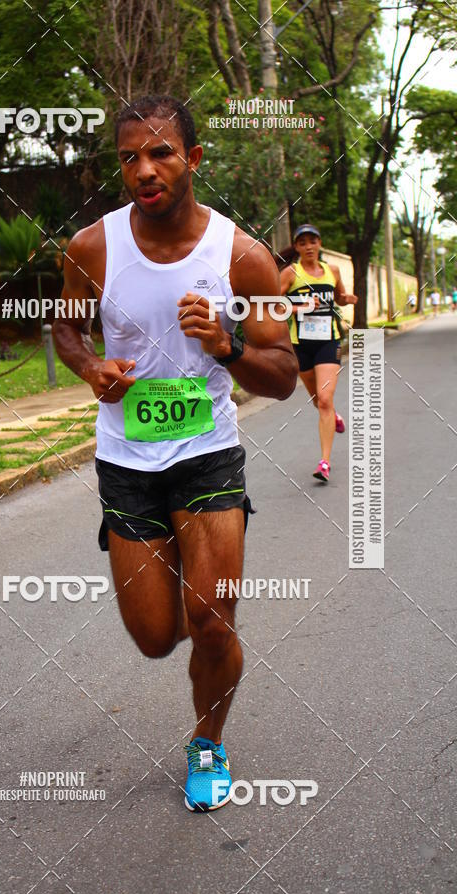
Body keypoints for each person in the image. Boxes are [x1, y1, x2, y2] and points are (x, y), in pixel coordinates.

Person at [53, 95, 298, 812]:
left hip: (207, 455)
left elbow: (284, 375)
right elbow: (68, 331)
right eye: (130, 157)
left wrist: (228, 344)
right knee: (158, 638)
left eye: (160, 153)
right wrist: (90, 368)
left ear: (193, 159)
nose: (144, 170)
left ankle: (208, 742)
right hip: (127, 463)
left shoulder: (244, 258)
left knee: (212, 621)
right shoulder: (92, 248)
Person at [279, 225, 357, 483]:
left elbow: (340, 297)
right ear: (297, 247)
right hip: (301, 344)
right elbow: (272, 304)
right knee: (317, 399)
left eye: (313, 241)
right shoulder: (291, 273)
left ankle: (324, 462)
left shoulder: (332, 271)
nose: (309, 246)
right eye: (303, 243)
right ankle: (333, 416)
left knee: (324, 399)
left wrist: (347, 299)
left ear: (320, 243)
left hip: (328, 341)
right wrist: (300, 306)